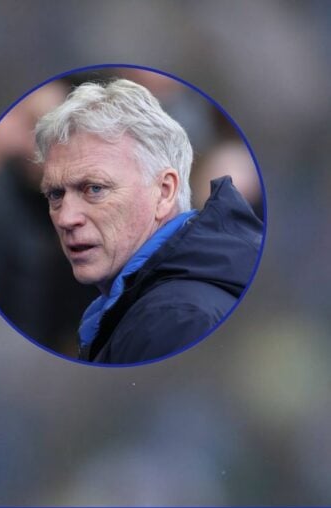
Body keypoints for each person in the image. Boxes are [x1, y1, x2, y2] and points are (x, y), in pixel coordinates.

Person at [34, 78, 263, 364]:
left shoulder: (173, 320)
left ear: (164, 192)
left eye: (94, 189)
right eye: (55, 194)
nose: (66, 218)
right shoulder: (157, 306)